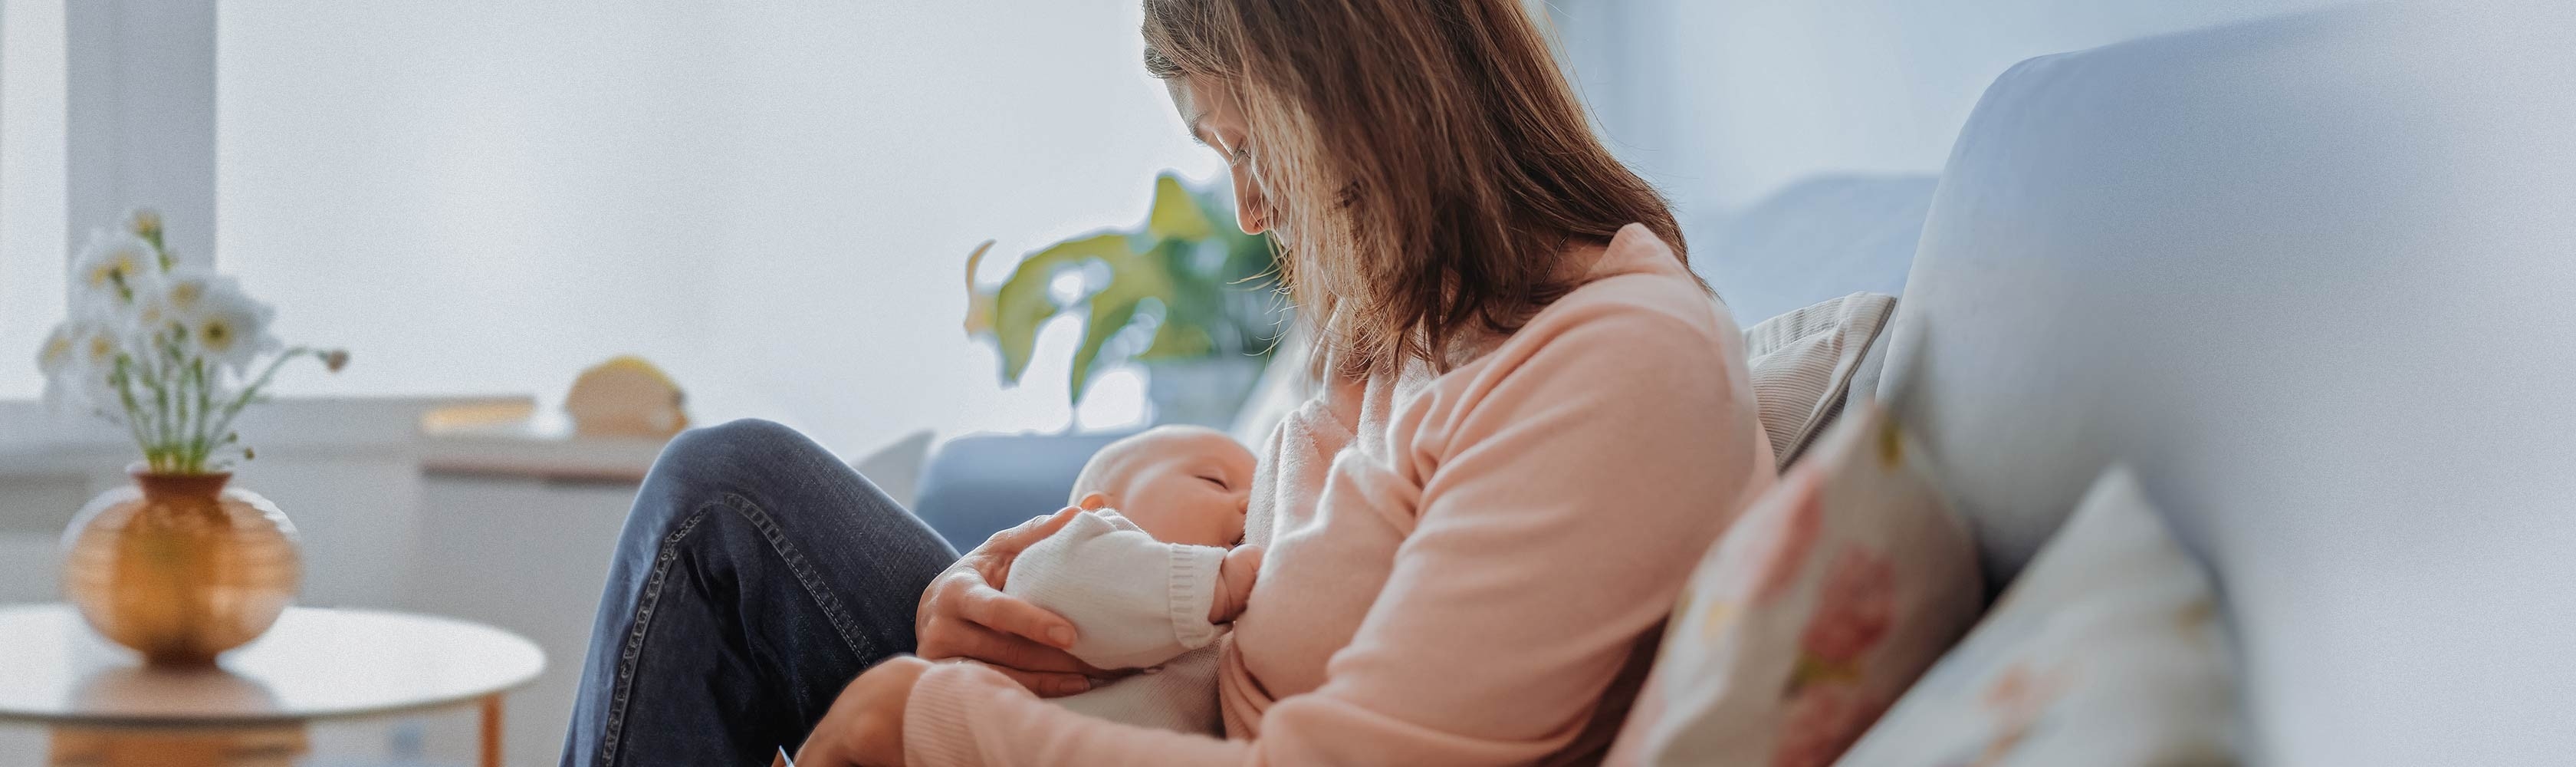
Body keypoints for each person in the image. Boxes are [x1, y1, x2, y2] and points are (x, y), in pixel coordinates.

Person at [561, 0, 1776, 765]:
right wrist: (1017, 614)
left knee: (727, 505)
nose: (1250, 211)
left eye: (1252, 149)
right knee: (728, 492)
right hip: (1170, 707)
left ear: (1381, 99)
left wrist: (915, 715)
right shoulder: (1416, 319)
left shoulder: (1620, 374)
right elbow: (1282, 594)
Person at [1004, 425, 1263, 734]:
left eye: (1263, 496)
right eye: (1216, 481)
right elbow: (1049, 582)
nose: (1253, 503)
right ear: (1099, 509)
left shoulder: (1233, 631)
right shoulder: (1076, 549)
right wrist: (1215, 584)